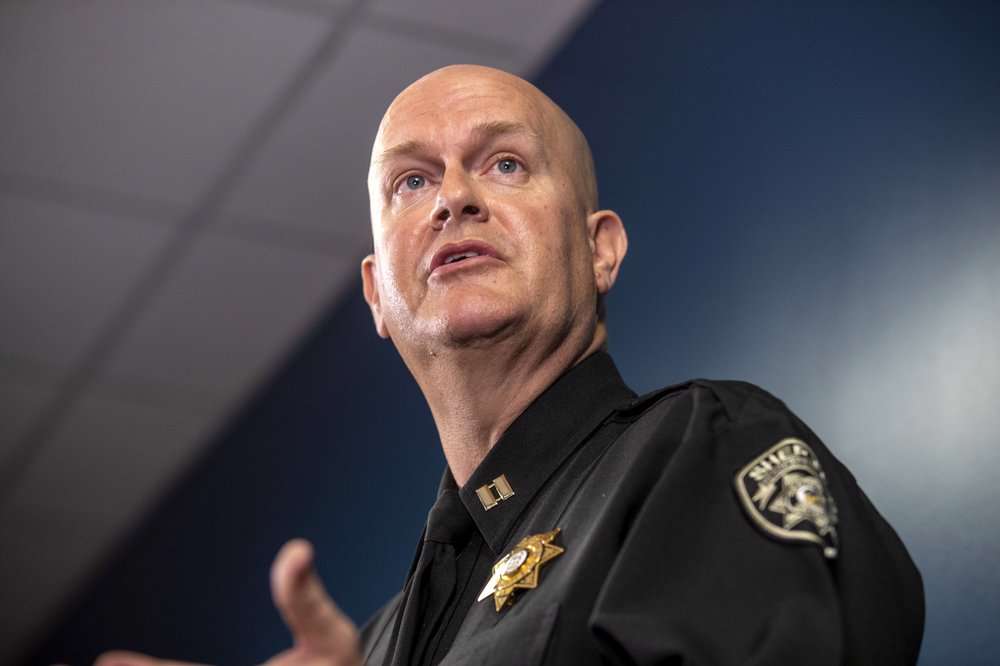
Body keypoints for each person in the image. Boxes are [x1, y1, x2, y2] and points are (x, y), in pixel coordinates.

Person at [97, 65, 924, 666]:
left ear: (600, 251)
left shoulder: (702, 449)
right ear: (378, 294)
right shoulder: (377, 646)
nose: (453, 197)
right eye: (410, 182)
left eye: (504, 164)